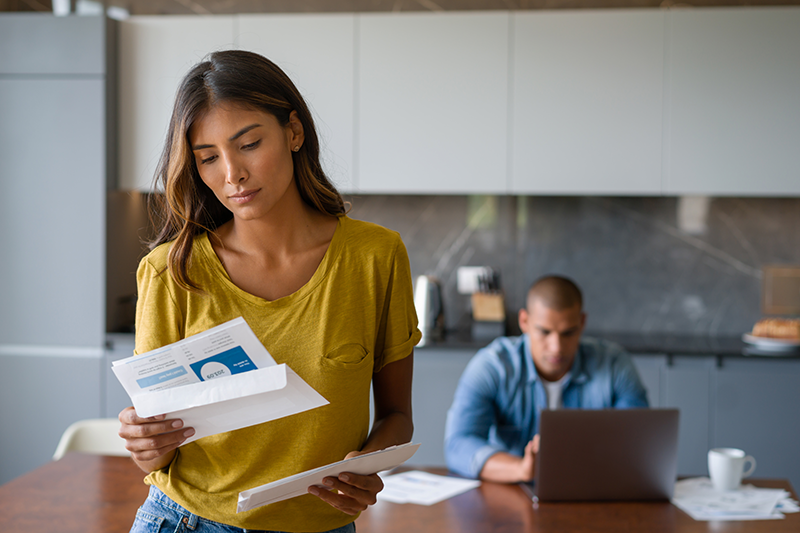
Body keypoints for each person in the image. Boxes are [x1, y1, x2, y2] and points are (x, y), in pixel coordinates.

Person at [118, 50, 421, 533]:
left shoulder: (375, 257)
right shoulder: (169, 272)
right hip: (187, 521)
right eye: (208, 158)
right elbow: (157, 453)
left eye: (249, 144)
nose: (232, 173)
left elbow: (398, 416)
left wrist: (366, 466)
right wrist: (144, 442)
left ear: (294, 132)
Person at [444, 275, 648, 483]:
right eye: (544, 332)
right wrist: (520, 469)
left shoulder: (614, 365)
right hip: (514, 491)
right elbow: (459, 444)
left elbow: (639, 443)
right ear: (524, 321)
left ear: (582, 322)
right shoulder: (493, 366)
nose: (556, 347)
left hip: (592, 488)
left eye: (568, 333)